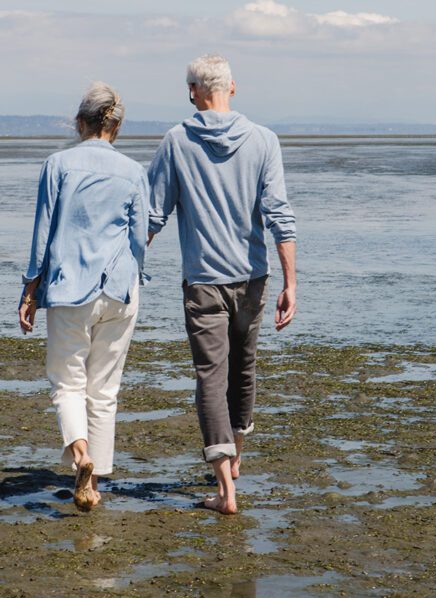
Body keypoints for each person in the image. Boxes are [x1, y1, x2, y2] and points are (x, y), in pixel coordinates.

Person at [147, 54, 296, 515]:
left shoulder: (176, 141)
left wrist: (123, 268)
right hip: (253, 278)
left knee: (211, 378)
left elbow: (153, 216)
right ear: (233, 88)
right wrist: (292, 282)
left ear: (192, 91)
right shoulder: (264, 140)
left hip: (204, 282)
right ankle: (234, 462)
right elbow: (279, 216)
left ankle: (225, 490)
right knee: (242, 371)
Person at [19, 82, 149, 511]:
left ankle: (81, 457)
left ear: (81, 121)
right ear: (116, 126)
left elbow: (43, 234)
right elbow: (138, 239)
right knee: (104, 390)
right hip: (119, 289)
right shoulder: (133, 171)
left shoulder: (58, 165)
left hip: (69, 287)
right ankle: (95, 484)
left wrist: (30, 290)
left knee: (67, 383)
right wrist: (135, 280)